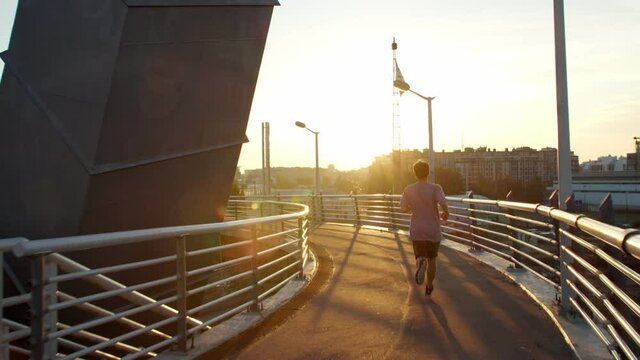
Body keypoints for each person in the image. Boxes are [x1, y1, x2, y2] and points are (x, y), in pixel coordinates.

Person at [400, 160, 449, 295]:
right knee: (432, 259)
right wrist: (446, 213)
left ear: (415, 173)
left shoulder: (408, 189)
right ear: (428, 172)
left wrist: (410, 208)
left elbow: (402, 207)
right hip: (432, 228)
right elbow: (443, 202)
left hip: (417, 229)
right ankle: (429, 286)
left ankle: (421, 262)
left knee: (419, 256)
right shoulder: (435, 188)